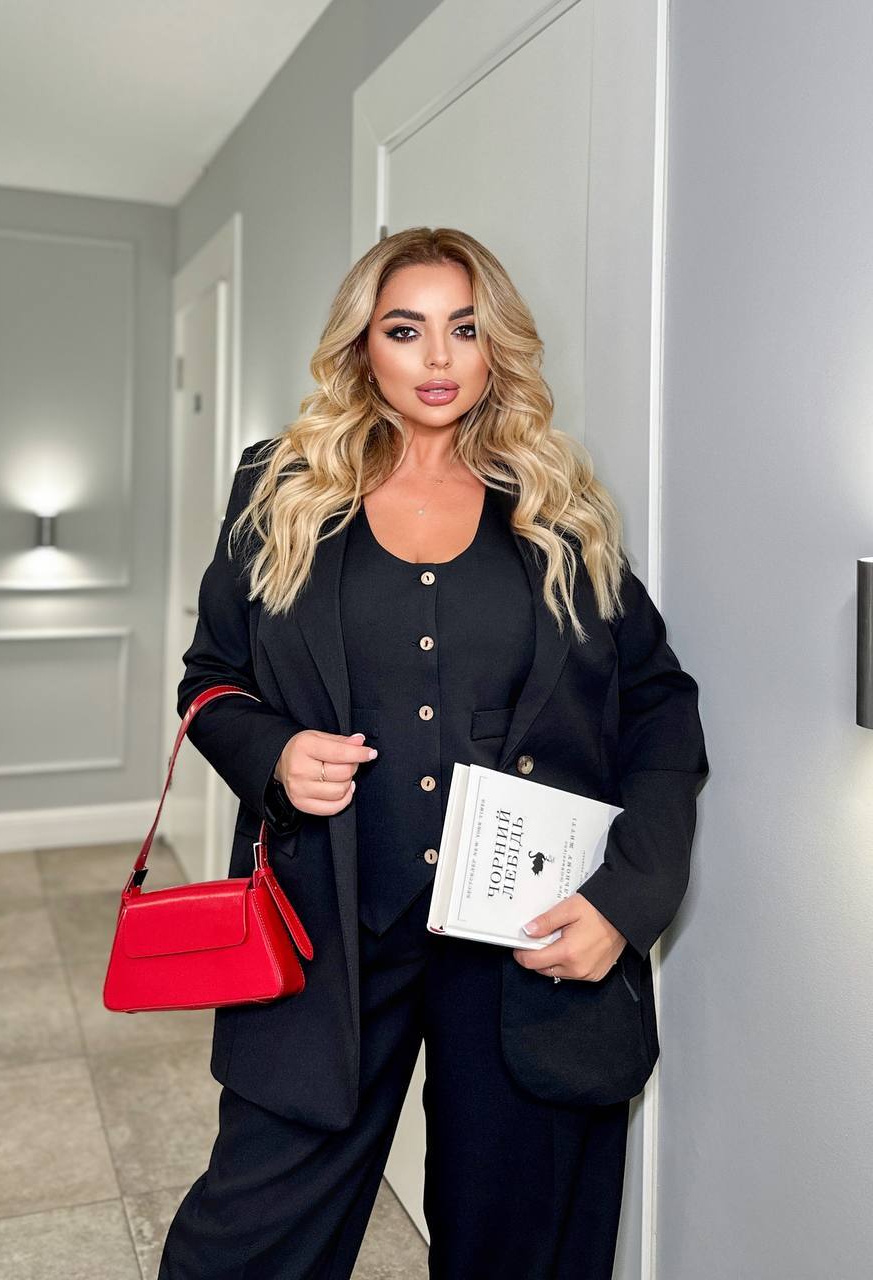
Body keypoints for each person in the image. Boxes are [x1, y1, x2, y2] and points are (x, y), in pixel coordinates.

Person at [158, 226, 709, 1280]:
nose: (440, 358)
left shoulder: (558, 508)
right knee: (246, 1241)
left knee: (521, 1250)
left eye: (466, 328)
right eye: (406, 330)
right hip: (329, 929)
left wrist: (627, 899)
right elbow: (211, 678)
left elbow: (658, 704)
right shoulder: (280, 486)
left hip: (526, 948)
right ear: (363, 345)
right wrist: (273, 752)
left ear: (498, 345)